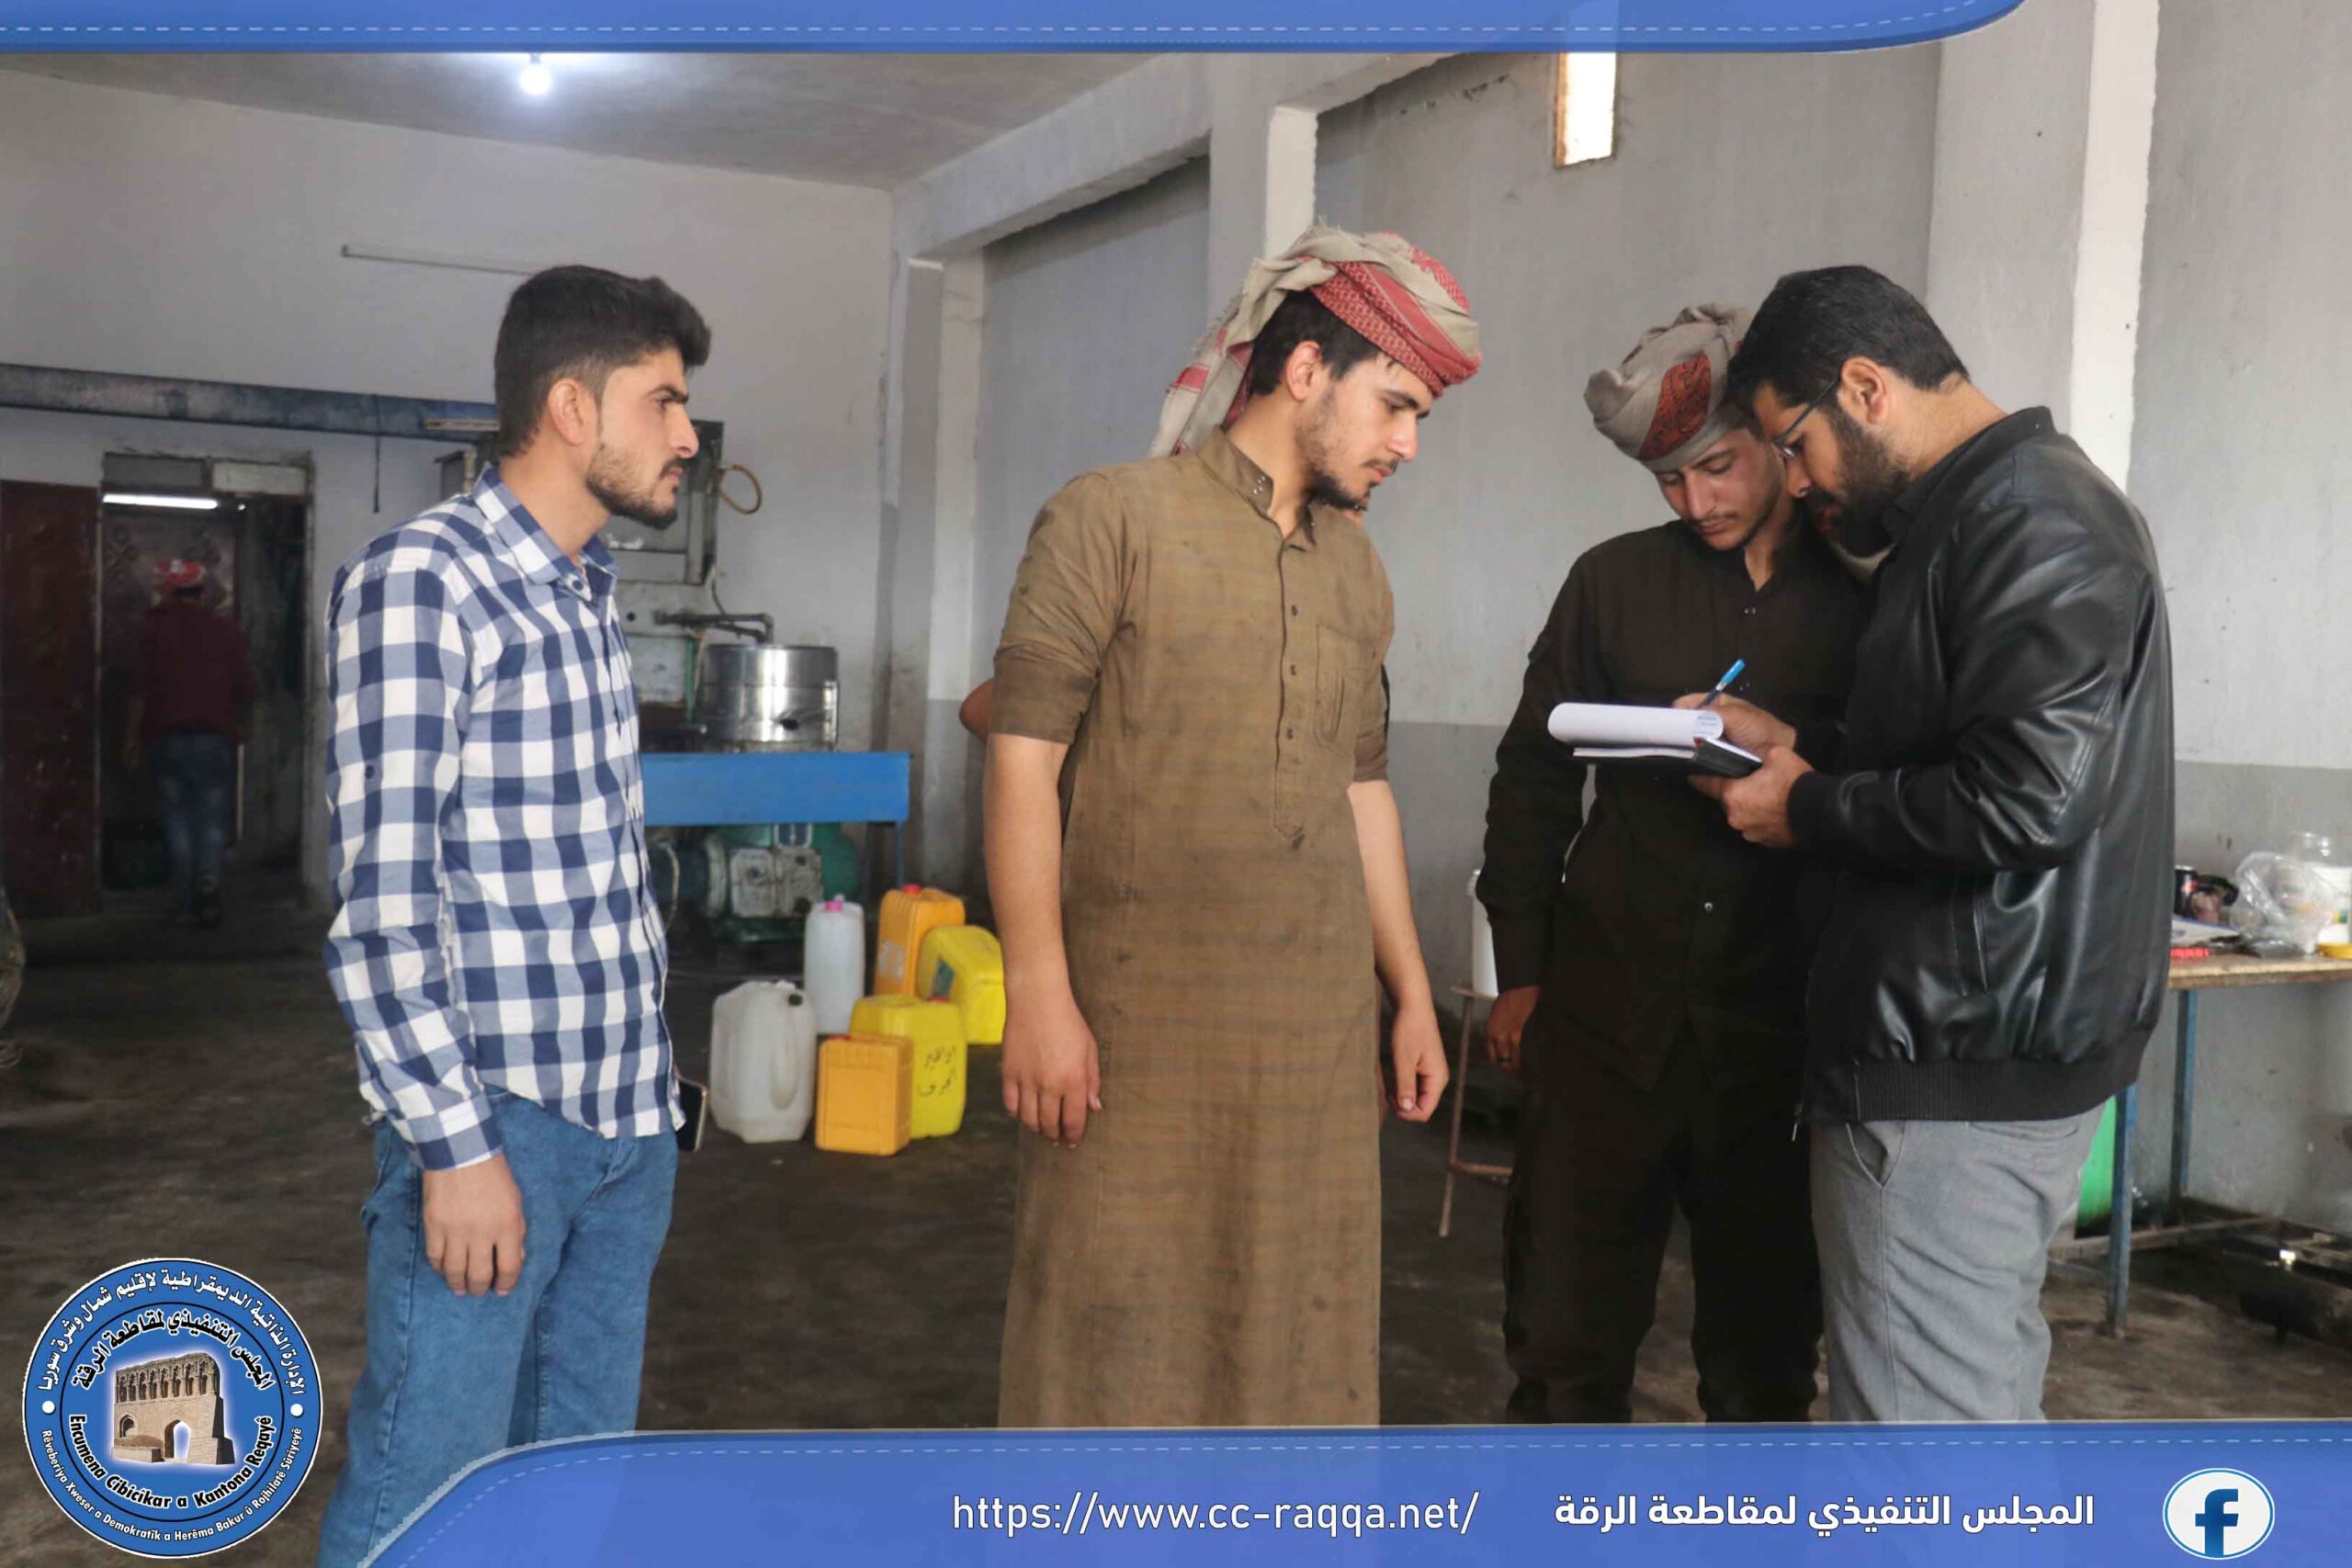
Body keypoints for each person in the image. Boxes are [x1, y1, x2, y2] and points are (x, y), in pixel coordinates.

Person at [987, 226, 1479, 1427]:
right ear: (1306, 369)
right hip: (1137, 1037)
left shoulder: (1356, 572)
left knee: (1297, 1334)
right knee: (1111, 1330)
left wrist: (1412, 991)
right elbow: (1021, 757)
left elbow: (1361, 787)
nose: (1407, 443)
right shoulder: (1109, 518)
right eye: (1396, 405)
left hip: (1314, 1049)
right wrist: (1038, 993)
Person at [1690, 265, 2173, 1422]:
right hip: (1973, 1040)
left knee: (1915, 1444)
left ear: (1864, 387)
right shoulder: (1982, 514)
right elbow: (1957, 747)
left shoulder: (2029, 517)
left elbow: (2024, 802)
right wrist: (1801, 745)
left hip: (1954, 1065)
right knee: (1967, 1414)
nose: (1794, 481)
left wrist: (1806, 808)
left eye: (1792, 445)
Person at [316, 266, 709, 1564]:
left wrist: (650, 1114)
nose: (686, 436)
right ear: (570, 407)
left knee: (573, 1482)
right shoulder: (426, 581)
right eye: (662, 402)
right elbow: (384, 906)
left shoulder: (587, 589)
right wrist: (454, 1148)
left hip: (625, 1122)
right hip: (501, 1123)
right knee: (426, 1493)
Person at [1477, 305, 1860, 1425]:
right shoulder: (1610, 583)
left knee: (1762, 1364)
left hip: (1776, 1030)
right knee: (1561, 1342)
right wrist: (1523, 971)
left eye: (1719, 466)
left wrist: (1796, 749)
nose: (1696, 503)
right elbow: (1531, 778)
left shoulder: (1863, 598)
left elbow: (1897, 781)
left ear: (1777, 438)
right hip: (1605, 1018)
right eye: (1668, 482)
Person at [124, 558, 255, 926]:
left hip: (165, 738)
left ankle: (185, 903)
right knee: (212, 816)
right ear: (203, 591)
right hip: (214, 738)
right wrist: (243, 726)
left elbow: (138, 690)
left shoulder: (153, 629)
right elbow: (245, 686)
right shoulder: (225, 630)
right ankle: (208, 883)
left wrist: (130, 738)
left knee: (177, 817)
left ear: (168, 591)